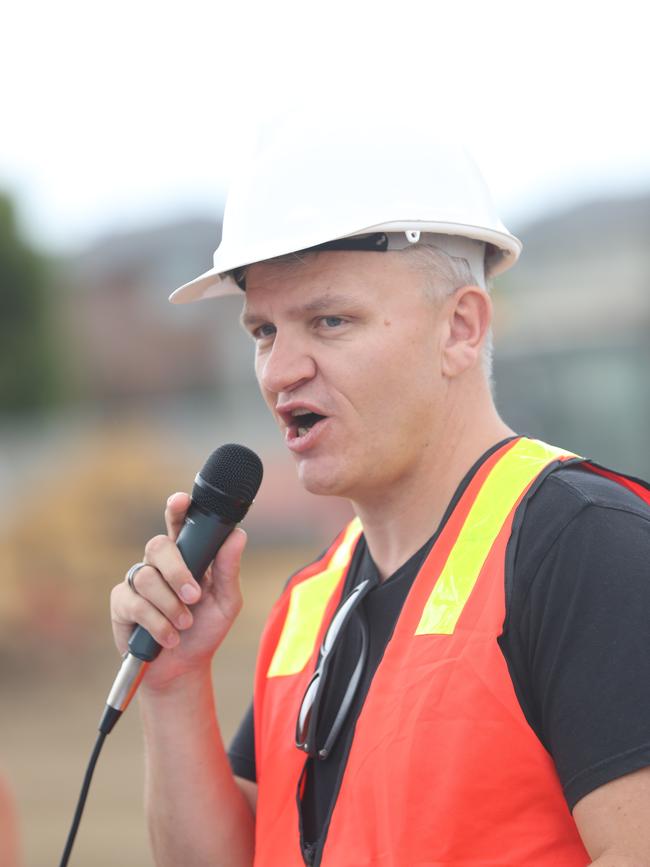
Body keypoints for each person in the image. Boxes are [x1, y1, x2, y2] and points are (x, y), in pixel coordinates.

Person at [110, 118, 650, 866]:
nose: (278, 371)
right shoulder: (309, 604)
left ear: (460, 328)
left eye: (329, 321)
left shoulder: (589, 549)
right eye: (263, 331)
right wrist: (171, 685)